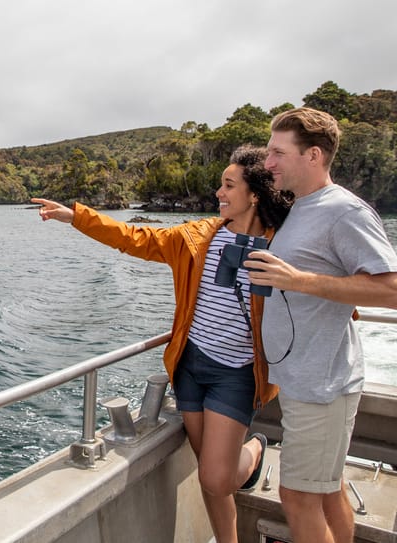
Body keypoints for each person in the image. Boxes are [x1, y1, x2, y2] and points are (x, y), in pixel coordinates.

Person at [33, 144, 292, 543]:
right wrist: (76, 217)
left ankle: (255, 448)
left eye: (228, 185)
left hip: (238, 374)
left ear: (255, 194)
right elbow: (134, 237)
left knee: (216, 476)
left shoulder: (283, 245)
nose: (219, 193)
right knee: (209, 476)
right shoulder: (196, 238)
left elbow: (312, 301)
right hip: (191, 367)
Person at [244, 107, 397, 543]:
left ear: (313, 155)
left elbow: (393, 291)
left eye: (278, 153)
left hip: (323, 386)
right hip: (305, 380)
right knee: (327, 490)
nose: (268, 163)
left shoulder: (344, 211)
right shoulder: (300, 208)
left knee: (298, 497)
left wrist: (297, 280)